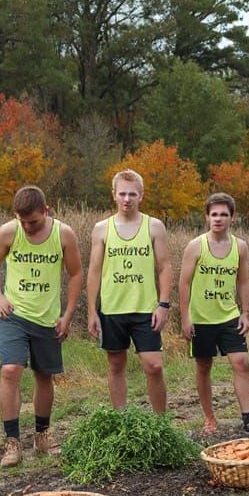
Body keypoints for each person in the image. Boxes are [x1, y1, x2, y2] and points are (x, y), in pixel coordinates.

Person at [0, 186, 82, 467]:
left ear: (47, 211)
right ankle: (12, 441)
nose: (27, 227)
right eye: (23, 221)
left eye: (34, 222)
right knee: (10, 370)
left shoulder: (63, 234)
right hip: (13, 314)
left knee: (44, 376)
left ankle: (41, 434)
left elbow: (76, 273)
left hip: (47, 317)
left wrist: (67, 315)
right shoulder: (8, 232)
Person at [178, 193, 249, 434]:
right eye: (214, 214)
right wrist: (185, 317)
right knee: (204, 365)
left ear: (232, 217)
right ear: (207, 217)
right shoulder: (196, 246)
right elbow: (184, 283)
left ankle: (248, 419)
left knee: (241, 363)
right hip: (201, 318)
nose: (218, 219)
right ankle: (209, 418)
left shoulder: (239, 246)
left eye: (224, 214)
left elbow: (243, 280)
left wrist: (245, 312)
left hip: (229, 315)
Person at [86, 169, 172, 413]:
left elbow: (164, 267)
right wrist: (92, 311)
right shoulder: (102, 228)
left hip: (146, 308)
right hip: (113, 308)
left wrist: (163, 305)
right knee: (115, 364)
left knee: (153, 365)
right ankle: (121, 419)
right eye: (122, 193)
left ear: (141, 196)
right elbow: (94, 270)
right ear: (114, 195)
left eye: (132, 194)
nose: (127, 199)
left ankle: (160, 423)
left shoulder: (154, 226)